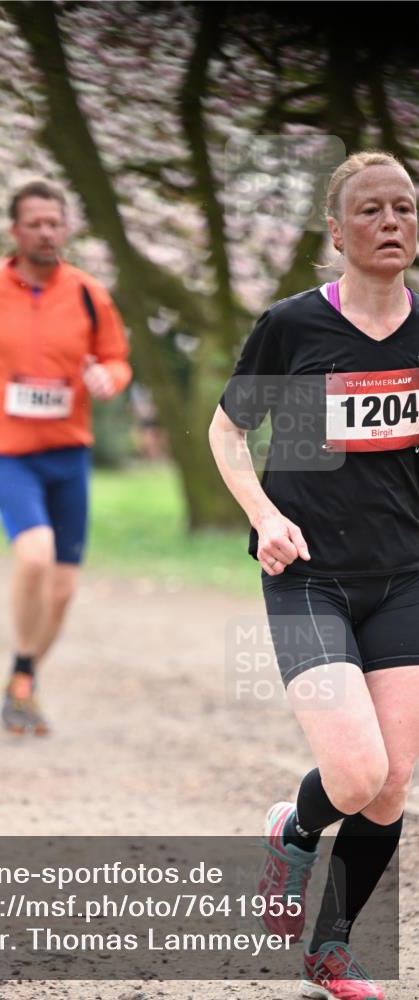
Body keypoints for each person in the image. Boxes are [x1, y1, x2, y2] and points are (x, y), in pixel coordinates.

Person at [209, 151, 418, 1000]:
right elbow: (229, 434)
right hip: (307, 573)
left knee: (393, 781)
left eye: (403, 207)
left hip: (404, 574)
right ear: (336, 233)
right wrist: (264, 517)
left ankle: (328, 951)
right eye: (369, 211)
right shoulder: (294, 326)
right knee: (356, 775)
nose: (391, 223)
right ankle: (293, 829)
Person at [0, 179, 131, 736]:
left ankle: (22, 680)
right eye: (34, 223)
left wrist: (107, 378)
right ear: (15, 231)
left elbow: (117, 357)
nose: (46, 231)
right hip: (7, 450)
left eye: (54, 222)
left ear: (66, 228)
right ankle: (23, 672)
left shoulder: (90, 293)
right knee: (36, 555)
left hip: (69, 451)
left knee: (64, 589)